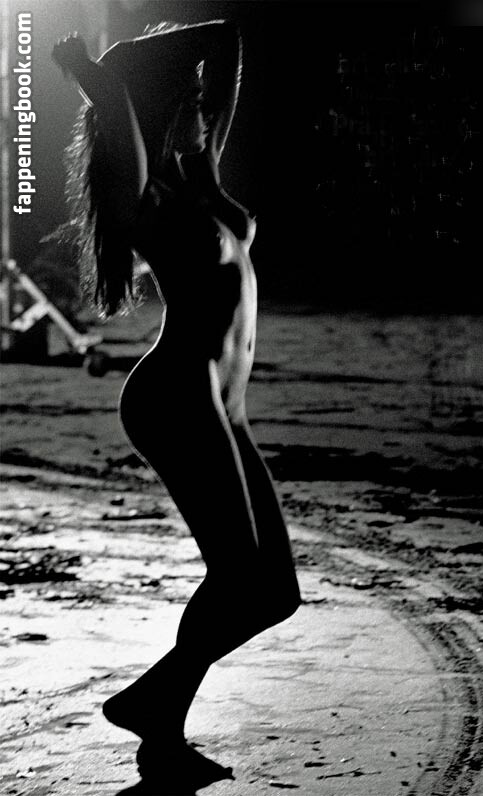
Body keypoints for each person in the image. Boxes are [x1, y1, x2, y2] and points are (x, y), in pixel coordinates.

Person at [52, 19, 301, 782]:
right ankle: (158, 718)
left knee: (276, 593)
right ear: (160, 111)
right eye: (188, 102)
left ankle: (154, 704)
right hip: (177, 398)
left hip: (222, 405)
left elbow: (231, 42)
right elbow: (117, 105)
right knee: (239, 578)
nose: (204, 110)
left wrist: (181, 47)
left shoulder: (201, 180)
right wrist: (97, 74)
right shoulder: (145, 196)